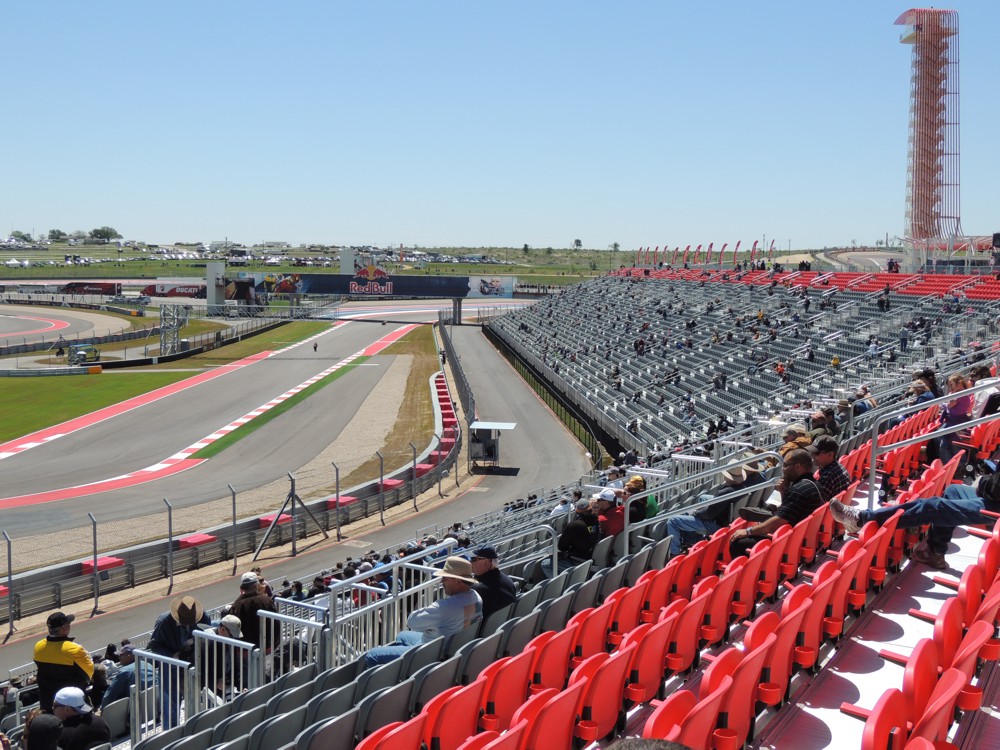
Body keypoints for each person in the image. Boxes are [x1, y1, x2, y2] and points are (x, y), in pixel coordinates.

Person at [830, 470, 1000, 570]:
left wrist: (986, 484)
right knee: (954, 491)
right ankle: (935, 553)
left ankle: (862, 519)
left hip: (996, 506)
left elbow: (995, 486)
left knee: (932, 506)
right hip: (994, 497)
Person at [363, 557, 482, 667]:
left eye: (445, 578)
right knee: (402, 635)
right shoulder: (477, 598)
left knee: (371, 656)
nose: (442, 582)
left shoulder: (445, 606)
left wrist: (432, 611)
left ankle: (401, 671)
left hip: (428, 653)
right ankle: (401, 666)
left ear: (458, 581)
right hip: (447, 646)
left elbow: (412, 622)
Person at [729, 450, 823, 557]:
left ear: (798, 466)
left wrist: (748, 531)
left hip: (792, 545)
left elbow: (778, 522)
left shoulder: (798, 490)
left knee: (738, 543)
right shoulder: (813, 484)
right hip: (803, 539)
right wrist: (783, 492)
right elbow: (790, 513)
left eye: (786, 465)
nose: (783, 469)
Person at [146, 595, 211, 729]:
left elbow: (207, 635)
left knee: (196, 700)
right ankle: (172, 734)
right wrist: (173, 656)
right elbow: (154, 646)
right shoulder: (164, 621)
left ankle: (196, 729)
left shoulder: (202, 616)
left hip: (193, 667)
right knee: (171, 703)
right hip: (171, 668)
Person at [664, 464, 756, 556]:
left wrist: (695, 512)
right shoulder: (743, 488)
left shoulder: (725, 493)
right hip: (727, 519)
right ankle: (692, 542)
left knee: (673, 521)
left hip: (716, 524)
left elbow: (708, 514)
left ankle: (674, 553)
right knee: (702, 498)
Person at [33, 612, 93, 712]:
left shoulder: (38, 646)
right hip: (73, 704)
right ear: (64, 628)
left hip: (47, 704)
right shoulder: (75, 649)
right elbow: (89, 674)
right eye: (69, 624)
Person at [542, 498, 601, 577]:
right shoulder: (596, 521)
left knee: (545, 563)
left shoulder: (574, 525)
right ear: (590, 509)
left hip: (576, 559)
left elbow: (561, 546)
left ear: (577, 511)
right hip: (590, 556)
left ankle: (560, 585)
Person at [228, 571, 278, 650]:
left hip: (246, 649)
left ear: (243, 587)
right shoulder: (266, 600)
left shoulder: (236, 605)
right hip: (268, 646)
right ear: (257, 585)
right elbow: (276, 623)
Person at [469, 547, 517, 619]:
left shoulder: (478, 589)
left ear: (486, 562)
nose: (470, 562)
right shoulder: (508, 580)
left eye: (473, 559)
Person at [938, 373, 973, 463]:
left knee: (947, 444)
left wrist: (944, 404)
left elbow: (949, 405)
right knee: (941, 438)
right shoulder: (959, 393)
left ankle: (953, 465)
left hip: (957, 421)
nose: (950, 387)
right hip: (953, 419)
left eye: (952, 384)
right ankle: (952, 463)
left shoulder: (960, 394)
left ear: (960, 383)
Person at [812, 435, 851, 501]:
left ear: (830, 454)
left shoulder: (827, 476)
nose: (812, 455)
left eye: (816, 453)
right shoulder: (839, 466)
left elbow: (819, 503)